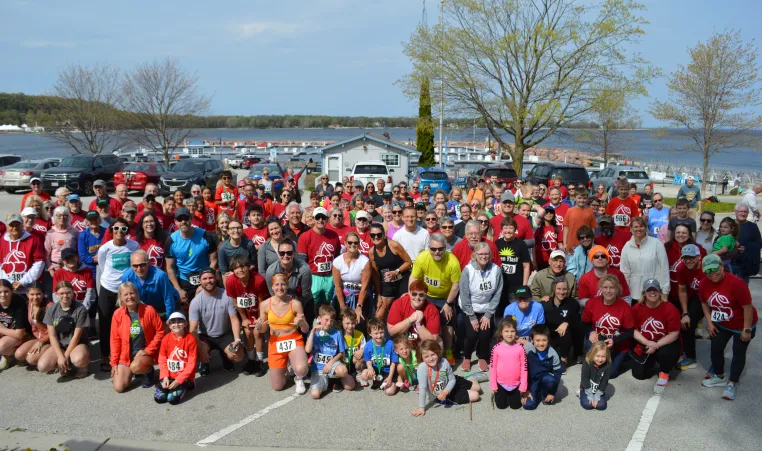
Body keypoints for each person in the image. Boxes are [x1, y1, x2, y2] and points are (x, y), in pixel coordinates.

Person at [700, 254, 757, 401]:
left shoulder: (736, 283)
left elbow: (748, 307)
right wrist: (709, 322)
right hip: (722, 323)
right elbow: (704, 303)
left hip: (742, 323)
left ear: (721, 266)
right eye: (708, 270)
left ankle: (732, 383)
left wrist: (747, 329)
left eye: (714, 269)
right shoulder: (704, 283)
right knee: (715, 349)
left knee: (738, 352)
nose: (711, 273)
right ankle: (719, 376)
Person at [409, 234, 461, 364]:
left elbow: (456, 286)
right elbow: (414, 277)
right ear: (428, 248)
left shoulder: (452, 261)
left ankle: (448, 351)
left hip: (445, 297)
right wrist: (411, 296)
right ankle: (422, 352)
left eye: (440, 249)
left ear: (445, 248)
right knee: (422, 322)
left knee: (447, 322)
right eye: (433, 249)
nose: (437, 252)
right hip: (427, 295)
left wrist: (448, 303)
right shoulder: (422, 258)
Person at [97, 218, 140, 371]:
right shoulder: (105, 248)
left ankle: (128, 352)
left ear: (128, 232)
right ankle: (105, 354)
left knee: (128, 321)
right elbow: (102, 265)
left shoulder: (134, 245)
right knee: (105, 321)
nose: (119, 232)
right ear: (111, 230)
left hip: (125, 289)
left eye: (123, 229)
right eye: (116, 228)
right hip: (108, 288)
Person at [257, 273, 310, 394]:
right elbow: (263, 330)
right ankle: (287, 365)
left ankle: (298, 377)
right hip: (275, 342)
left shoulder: (295, 304)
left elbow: (305, 329)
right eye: (276, 284)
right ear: (272, 287)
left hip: (293, 339)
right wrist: (259, 327)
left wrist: (301, 323)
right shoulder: (265, 305)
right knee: (278, 386)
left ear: (287, 286)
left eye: (283, 284)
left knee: (302, 369)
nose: (280, 288)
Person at [109, 282, 166, 392]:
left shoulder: (149, 310)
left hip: (145, 352)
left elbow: (161, 332)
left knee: (136, 367)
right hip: (125, 355)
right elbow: (115, 340)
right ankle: (133, 371)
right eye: (125, 294)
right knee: (119, 387)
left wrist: (148, 350)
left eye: (132, 293)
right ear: (120, 297)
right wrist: (114, 362)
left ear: (137, 294)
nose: (129, 297)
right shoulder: (117, 314)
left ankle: (148, 372)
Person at [189, 268, 244, 376]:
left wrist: (237, 339)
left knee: (238, 355)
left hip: (224, 335)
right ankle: (204, 362)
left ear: (216, 278)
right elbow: (193, 328)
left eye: (211, 277)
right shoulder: (195, 302)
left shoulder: (226, 295)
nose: (208, 281)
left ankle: (226, 356)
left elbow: (234, 319)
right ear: (200, 281)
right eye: (204, 279)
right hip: (205, 336)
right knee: (195, 347)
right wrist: (199, 345)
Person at [458, 242, 502, 372]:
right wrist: (471, 317)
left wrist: (488, 315)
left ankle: (482, 356)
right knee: (471, 334)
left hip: (486, 308)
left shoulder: (496, 270)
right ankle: (467, 357)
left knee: (485, 334)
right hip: (469, 308)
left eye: (486, 253)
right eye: (480, 254)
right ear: (475, 255)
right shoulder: (468, 271)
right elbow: (464, 295)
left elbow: (497, 293)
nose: (484, 256)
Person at [581, 275, 634, 378]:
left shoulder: (625, 307)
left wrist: (615, 341)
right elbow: (584, 323)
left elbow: (629, 332)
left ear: (617, 288)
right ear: (601, 288)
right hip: (598, 339)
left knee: (609, 374)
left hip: (617, 342)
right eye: (605, 287)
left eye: (612, 287)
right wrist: (590, 332)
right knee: (592, 369)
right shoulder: (591, 303)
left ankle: (620, 359)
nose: (608, 291)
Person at [631, 279, 681, 386]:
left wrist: (656, 345)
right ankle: (652, 362)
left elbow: (674, 334)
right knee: (639, 375)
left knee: (666, 353)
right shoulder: (637, 308)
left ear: (660, 292)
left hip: (664, 343)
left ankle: (664, 372)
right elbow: (633, 330)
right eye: (649, 290)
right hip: (645, 343)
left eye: (655, 290)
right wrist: (647, 342)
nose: (652, 293)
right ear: (644, 293)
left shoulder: (670, 308)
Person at [411, 339, 481, 416]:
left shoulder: (444, 361)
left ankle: (472, 378)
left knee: (477, 387)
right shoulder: (422, 368)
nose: (431, 358)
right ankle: (469, 381)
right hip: (443, 394)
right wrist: (421, 407)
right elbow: (422, 388)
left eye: (433, 354)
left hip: (451, 382)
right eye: (426, 356)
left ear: (438, 352)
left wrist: (445, 391)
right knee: (476, 395)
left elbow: (452, 379)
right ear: (421, 358)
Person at [225, 255, 269, 377]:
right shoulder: (230, 281)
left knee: (257, 332)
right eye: (236, 268)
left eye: (242, 267)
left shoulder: (258, 280)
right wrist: (244, 318)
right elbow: (236, 301)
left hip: (259, 311)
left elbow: (261, 302)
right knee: (248, 333)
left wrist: (260, 319)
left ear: (248, 267)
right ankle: (251, 360)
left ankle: (260, 361)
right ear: (233, 271)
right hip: (245, 312)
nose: (240, 270)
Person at [165, 208, 219, 307]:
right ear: (175, 222)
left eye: (186, 218)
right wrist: (178, 289)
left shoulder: (205, 235)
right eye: (180, 219)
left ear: (191, 219)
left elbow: (214, 260)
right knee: (188, 311)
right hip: (184, 281)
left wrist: (205, 282)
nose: (183, 222)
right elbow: (170, 268)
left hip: (205, 277)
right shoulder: (171, 240)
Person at [37, 281, 90, 377]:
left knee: (79, 359)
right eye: (61, 293)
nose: (65, 296)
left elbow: (76, 336)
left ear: (73, 293)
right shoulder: (51, 309)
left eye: (68, 293)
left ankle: (82, 366)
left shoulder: (81, 309)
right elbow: (52, 335)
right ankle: (62, 365)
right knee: (42, 366)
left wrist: (65, 356)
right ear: (56, 294)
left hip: (77, 343)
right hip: (60, 344)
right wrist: (60, 356)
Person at [298, 207, 341, 314]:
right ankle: (313, 324)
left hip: (329, 275)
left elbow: (337, 256)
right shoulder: (305, 236)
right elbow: (301, 261)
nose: (320, 220)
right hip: (313, 276)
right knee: (313, 303)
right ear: (313, 219)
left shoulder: (334, 236)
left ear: (327, 219)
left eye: (323, 217)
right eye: (318, 217)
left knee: (327, 303)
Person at [305, 305, 354, 398]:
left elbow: (341, 352)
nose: (329, 323)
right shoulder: (314, 333)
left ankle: (335, 378)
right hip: (318, 368)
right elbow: (307, 350)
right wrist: (312, 332)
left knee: (350, 384)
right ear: (319, 318)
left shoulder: (337, 333)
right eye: (326, 320)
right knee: (315, 395)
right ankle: (328, 381)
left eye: (331, 320)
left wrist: (330, 363)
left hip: (333, 364)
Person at [620, 217, 670, 303]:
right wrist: (624, 293)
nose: (638, 229)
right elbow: (625, 272)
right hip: (635, 293)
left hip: (654, 292)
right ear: (631, 229)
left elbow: (664, 268)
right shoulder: (627, 247)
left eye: (641, 226)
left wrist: (665, 290)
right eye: (635, 227)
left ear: (646, 228)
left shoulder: (656, 243)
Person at [155, 312, 197, 404]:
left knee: (172, 400)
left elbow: (191, 363)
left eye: (180, 321)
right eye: (173, 322)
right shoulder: (166, 339)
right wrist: (165, 376)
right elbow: (162, 359)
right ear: (169, 325)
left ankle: (186, 386)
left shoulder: (190, 339)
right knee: (159, 398)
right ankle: (168, 384)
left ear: (185, 323)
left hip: (184, 377)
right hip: (169, 375)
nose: (176, 324)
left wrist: (179, 380)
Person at [121, 250, 177, 318]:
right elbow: (124, 299)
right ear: (131, 265)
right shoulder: (127, 277)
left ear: (149, 263)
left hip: (164, 307)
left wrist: (169, 320)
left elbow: (168, 299)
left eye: (142, 265)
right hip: (146, 308)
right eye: (135, 266)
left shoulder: (160, 276)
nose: (139, 269)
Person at [0, 213, 45, 297]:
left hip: (29, 288)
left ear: (22, 225)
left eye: (17, 225)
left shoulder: (33, 240)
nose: (14, 228)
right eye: (11, 225)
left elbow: (39, 263)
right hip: (7, 288)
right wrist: (9, 283)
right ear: (7, 227)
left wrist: (23, 282)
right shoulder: (2, 241)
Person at [489, 317, 528, 410]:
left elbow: (524, 367)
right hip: (500, 383)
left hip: (515, 384)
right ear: (501, 333)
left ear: (516, 333)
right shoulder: (496, 348)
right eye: (506, 331)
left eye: (512, 331)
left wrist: (523, 386)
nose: (510, 334)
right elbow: (492, 367)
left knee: (516, 406)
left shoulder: (520, 348)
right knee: (501, 406)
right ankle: (498, 395)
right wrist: (493, 384)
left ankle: (516, 395)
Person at [386, 279, 441, 345]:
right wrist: (410, 319)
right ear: (409, 293)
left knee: (440, 342)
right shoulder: (399, 303)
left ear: (425, 295)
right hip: (402, 341)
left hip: (421, 344)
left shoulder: (432, 310)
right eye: (414, 294)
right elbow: (391, 332)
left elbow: (433, 341)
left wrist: (419, 324)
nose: (417, 298)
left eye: (421, 295)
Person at [542, 279, 581, 367]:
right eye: (559, 289)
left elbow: (577, 321)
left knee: (566, 331)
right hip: (550, 336)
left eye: (564, 289)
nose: (562, 292)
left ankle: (564, 360)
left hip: (565, 337)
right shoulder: (546, 304)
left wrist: (567, 323)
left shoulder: (572, 303)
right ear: (554, 290)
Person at [522, 325, 563, 410]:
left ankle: (546, 393)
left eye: (544, 340)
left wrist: (552, 393)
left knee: (550, 380)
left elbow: (557, 374)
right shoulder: (526, 349)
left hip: (545, 378)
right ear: (532, 340)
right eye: (537, 340)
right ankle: (538, 392)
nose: (541, 343)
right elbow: (520, 369)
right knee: (528, 405)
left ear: (548, 339)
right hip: (531, 380)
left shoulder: (553, 354)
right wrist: (525, 390)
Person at [332, 231, 372, 315]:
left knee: (359, 323)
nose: (353, 245)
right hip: (343, 296)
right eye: (350, 242)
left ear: (359, 244)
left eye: (355, 242)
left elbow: (364, 287)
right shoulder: (337, 261)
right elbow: (338, 286)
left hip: (360, 296)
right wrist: (342, 307)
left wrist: (359, 306)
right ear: (345, 243)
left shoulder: (365, 261)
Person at [361, 317, 398, 394]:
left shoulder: (390, 344)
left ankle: (392, 382)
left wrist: (390, 377)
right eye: (376, 333)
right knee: (364, 375)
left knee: (390, 392)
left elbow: (393, 362)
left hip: (388, 372)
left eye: (381, 332)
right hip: (376, 372)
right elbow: (368, 360)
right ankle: (376, 381)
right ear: (370, 333)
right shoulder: (368, 346)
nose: (379, 335)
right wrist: (370, 368)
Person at [0, 279, 29, 368]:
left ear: (12, 291)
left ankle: (9, 354)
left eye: (6, 291)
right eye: (0, 292)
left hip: (22, 335)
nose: (2, 295)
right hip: (8, 332)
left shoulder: (19, 302)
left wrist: (1, 329)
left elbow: (19, 334)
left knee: (1, 346)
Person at [733, 204, 761, 283]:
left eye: (745, 212)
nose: (743, 214)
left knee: (742, 289)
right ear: (735, 212)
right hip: (729, 262)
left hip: (744, 264)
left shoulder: (753, 227)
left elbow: (758, 244)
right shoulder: (729, 225)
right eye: (741, 211)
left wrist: (746, 248)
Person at [580, 341, 611, 410]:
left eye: (603, 357)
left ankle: (598, 395)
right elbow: (585, 379)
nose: (600, 359)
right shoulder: (587, 363)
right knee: (587, 405)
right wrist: (590, 395)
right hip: (586, 387)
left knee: (601, 406)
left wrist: (597, 396)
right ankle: (580, 392)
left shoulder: (608, 366)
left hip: (598, 389)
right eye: (597, 356)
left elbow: (604, 382)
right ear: (592, 354)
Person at [340, 308, 367, 378]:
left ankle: (359, 374)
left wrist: (362, 350)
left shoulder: (360, 334)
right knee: (349, 386)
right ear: (341, 322)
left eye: (353, 323)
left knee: (360, 357)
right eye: (347, 323)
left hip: (355, 362)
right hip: (343, 363)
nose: (350, 326)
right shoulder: (339, 335)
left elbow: (365, 347)